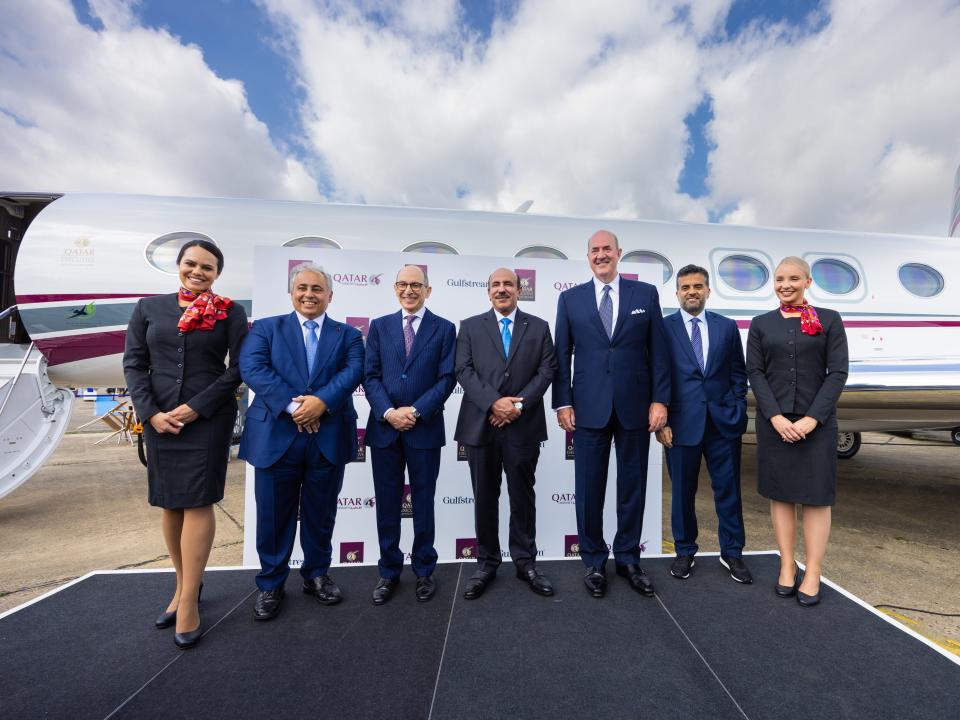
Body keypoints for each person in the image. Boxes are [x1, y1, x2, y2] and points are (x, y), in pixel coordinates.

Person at [123, 239, 248, 649]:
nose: (198, 272)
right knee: (170, 502)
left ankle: (190, 601)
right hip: (159, 418)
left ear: (217, 273)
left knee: (197, 501)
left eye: (207, 268)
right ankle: (182, 588)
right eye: (191, 264)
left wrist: (196, 407)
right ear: (178, 266)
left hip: (206, 418)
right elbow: (134, 364)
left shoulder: (230, 311)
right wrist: (150, 413)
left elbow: (238, 369)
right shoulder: (148, 308)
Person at [239, 264, 364, 620]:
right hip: (276, 436)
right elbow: (254, 369)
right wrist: (297, 407)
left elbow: (353, 371)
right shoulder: (266, 328)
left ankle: (317, 574)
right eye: (303, 288)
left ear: (330, 296)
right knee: (273, 515)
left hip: (328, 435)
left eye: (317, 289)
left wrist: (321, 403)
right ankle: (270, 584)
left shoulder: (349, 335)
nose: (309, 294)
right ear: (292, 293)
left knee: (320, 514)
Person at [553, 230, 670, 599]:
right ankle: (592, 560)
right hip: (587, 409)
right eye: (594, 250)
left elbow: (659, 352)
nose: (601, 255)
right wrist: (563, 402)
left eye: (607, 249)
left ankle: (628, 558)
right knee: (588, 489)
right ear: (587, 256)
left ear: (619, 253)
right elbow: (561, 356)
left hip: (636, 407)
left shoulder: (645, 295)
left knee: (632, 486)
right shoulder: (570, 299)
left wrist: (660, 400)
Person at [746, 256, 848, 606]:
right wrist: (775, 418)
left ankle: (814, 571)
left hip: (816, 425)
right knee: (782, 495)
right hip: (775, 425)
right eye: (779, 279)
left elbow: (837, 373)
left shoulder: (830, 321)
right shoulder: (760, 325)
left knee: (817, 498)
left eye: (793, 278)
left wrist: (811, 419)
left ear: (808, 281)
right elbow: (755, 374)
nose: (785, 284)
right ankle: (787, 565)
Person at [455, 268, 558, 599]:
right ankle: (486, 562)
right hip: (480, 425)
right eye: (496, 285)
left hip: (523, 427)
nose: (502, 289)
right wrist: (493, 404)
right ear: (488, 292)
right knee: (485, 496)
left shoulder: (539, 327)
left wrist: (517, 406)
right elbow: (463, 370)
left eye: (508, 285)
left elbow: (547, 370)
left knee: (522, 497)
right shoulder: (470, 327)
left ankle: (526, 562)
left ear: (519, 290)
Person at [362, 265, 456, 605]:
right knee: (387, 504)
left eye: (416, 285)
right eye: (402, 284)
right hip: (385, 429)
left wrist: (414, 411)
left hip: (424, 429)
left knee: (424, 502)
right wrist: (389, 412)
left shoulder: (445, 329)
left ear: (428, 290)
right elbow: (369, 375)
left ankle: (424, 570)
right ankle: (389, 571)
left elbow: (447, 379)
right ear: (394, 288)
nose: (409, 290)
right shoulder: (379, 327)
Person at [655, 265, 751, 583]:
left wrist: (737, 407)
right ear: (678, 293)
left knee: (728, 491)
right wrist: (661, 421)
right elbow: (658, 377)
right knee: (683, 492)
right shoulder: (664, 328)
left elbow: (738, 371)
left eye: (698, 286)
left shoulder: (726, 327)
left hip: (723, 424)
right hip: (681, 425)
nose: (692, 291)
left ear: (708, 290)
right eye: (686, 287)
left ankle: (733, 553)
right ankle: (684, 551)